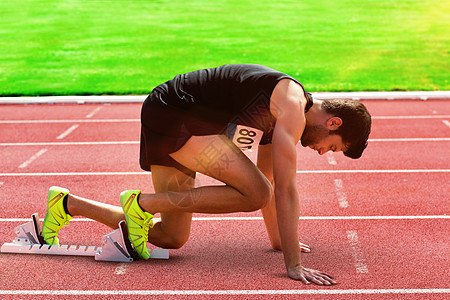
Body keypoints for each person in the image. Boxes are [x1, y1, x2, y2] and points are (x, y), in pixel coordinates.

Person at [40, 64, 371, 285]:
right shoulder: (291, 108)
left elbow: (268, 178)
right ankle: (144, 203)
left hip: (177, 118)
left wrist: (281, 242)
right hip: (174, 112)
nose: (322, 152)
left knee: (171, 237)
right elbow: (284, 190)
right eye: (333, 147)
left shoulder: (280, 119)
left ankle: (68, 205)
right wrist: (293, 265)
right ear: (333, 123)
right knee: (256, 193)